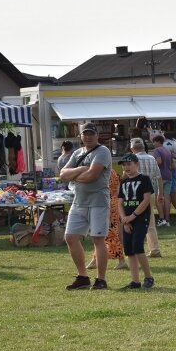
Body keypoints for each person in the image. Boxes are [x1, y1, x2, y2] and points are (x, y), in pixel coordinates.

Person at [60, 122, 113, 290]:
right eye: (85, 134)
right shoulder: (77, 153)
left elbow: (92, 175)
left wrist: (74, 175)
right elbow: (62, 174)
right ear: (80, 136)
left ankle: (101, 279)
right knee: (70, 237)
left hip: (98, 202)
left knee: (98, 239)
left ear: (97, 136)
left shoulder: (103, 151)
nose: (88, 136)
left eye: (91, 133)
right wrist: (81, 169)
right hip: (79, 202)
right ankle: (83, 276)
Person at [117, 153, 155, 289]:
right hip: (127, 219)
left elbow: (146, 200)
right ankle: (135, 281)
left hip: (140, 217)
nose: (126, 167)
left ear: (136, 164)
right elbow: (120, 202)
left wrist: (132, 216)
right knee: (129, 250)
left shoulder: (144, 179)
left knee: (138, 247)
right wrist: (124, 220)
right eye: (124, 165)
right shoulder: (123, 182)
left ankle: (149, 277)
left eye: (129, 164)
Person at [86, 169, 127, 271]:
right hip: (113, 204)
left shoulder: (99, 172)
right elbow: (118, 190)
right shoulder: (112, 172)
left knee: (107, 234)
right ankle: (96, 260)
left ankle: (120, 260)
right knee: (108, 234)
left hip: (105, 204)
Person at [130, 138, 164, 258]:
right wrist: (161, 193)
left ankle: (136, 249)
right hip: (151, 193)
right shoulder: (151, 158)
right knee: (150, 223)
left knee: (133, 221)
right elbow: (159, 177)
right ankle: (155, 249)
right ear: (143, 147)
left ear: (132, 148)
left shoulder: (133, 159)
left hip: (136, 194)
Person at [151, 134, 173, 227]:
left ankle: (161, 219)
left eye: (153, 142)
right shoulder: (167, 150)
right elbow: (172, 165)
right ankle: (167, 219)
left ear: (157, 142)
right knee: (167, 197)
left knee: (158, 196)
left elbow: (159, 161)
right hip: (169, 175)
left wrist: (151, 162)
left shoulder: (157, 150)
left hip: (159, 176)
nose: (153, 144)